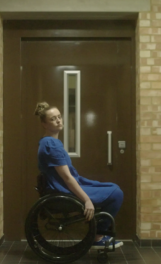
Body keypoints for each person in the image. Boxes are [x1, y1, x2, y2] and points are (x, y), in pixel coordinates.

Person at [34, 102, 123, 249]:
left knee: (113, 187)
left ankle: (98, 233)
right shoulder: (51, 145)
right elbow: (67, 178)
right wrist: (86, 200)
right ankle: (98, 236)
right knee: (116, 194)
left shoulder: (49, 142)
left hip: (64, 186)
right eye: (53, 119)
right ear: (44, 124)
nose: (58, 120)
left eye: (59, 117)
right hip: (63, 190)